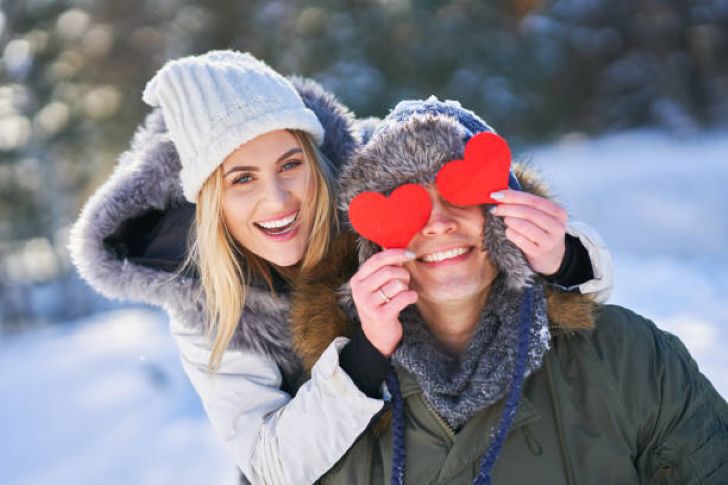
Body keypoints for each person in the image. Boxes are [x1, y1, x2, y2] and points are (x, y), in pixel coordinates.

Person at [69, 51, 613, 484]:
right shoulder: (204, 304)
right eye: (242, 179)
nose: (278, 200)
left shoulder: (375, 183)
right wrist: (363, 357)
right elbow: (271, 467)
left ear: (316, 158)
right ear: (209, 199)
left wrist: (562, 258)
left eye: (290, 165)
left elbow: (565, 279)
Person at [291, 97, 728, 484]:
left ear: (507, 217)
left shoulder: (632, 358)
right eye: (409, 204)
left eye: (460, 194)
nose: (439, 223)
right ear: (375, 247)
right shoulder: (335, 412)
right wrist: (363, 359)